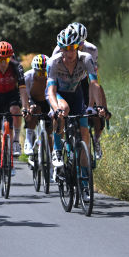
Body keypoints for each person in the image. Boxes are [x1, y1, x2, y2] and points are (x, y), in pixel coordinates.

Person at [46, 26, 103, 173]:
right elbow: (50, 90)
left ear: (78, 47)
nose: (69, 52)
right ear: (60, 49)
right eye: (65, 49)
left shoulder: (86, 58)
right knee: (63, 110)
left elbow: (94, 84)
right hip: (59, 93)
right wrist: (55, 108)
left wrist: (99, 106)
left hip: (76, 94)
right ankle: (57, 150)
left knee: (84, 135)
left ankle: (84, 182)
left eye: (73, 48)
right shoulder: (54, 62)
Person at [0, 41, 30, 187]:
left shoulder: (17, 67)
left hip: (11, 95)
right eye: (0, 59)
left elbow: (22, 89)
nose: (3, 63)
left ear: (11, 58)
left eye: (6, 59)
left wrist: (26, 107)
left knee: (16, 111)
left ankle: (15, 141)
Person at [23, 54, 51, 155]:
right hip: (33, 100)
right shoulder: (27, 76)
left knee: (50, 130)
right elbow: (25, 95)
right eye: (39, 72)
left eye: (45, 72)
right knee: (34, 109)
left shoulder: (52, 75)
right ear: (34, 70)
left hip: (48, 101)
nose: (42, 75)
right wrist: (27, 107)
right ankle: (28, 141)